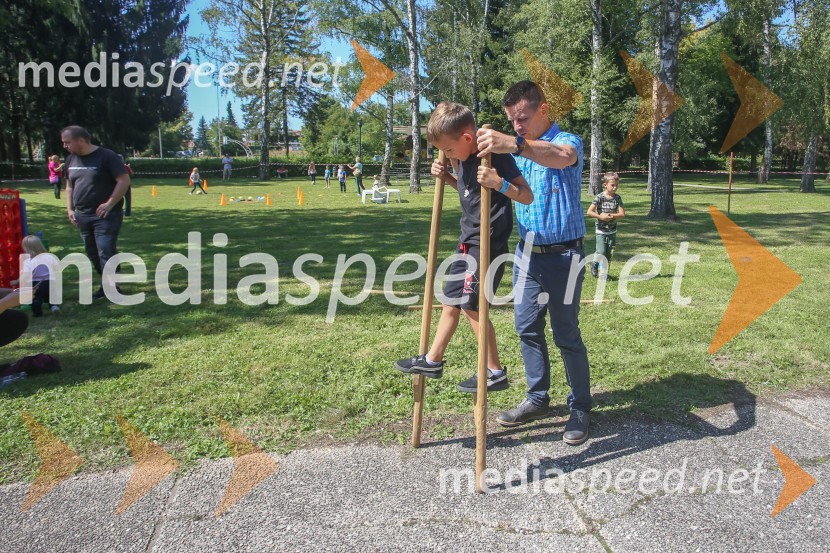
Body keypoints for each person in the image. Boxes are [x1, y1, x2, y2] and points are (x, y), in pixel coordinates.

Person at [475, 80, 592, 445]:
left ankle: (581, 407)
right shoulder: (515, 152)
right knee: (526, 327)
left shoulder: (568, 141)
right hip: (527, 255)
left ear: (543, 109)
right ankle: (538, 398)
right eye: (513, 122)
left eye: (523, 118)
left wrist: (516, 144)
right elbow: (517, 194)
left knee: (566, 334)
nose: (517, 127)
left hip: (565, 256)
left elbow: (562, 157)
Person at [394, 101, 533, 393]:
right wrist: (447, 175)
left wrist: (499, 184)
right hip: (466, 242)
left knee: (473, 308)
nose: (447, 155)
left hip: (487, 244)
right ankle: (433, 359)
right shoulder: (465, 158)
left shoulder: (493, 156)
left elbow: (526, 196)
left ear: (467, 139)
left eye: (449, 150)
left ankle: (494, 371)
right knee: (450, 303)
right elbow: (468, 189)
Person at [62, 125, 130, 301]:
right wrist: (70, 208)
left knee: (105, 250)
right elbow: (69, 186)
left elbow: (123, 180)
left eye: (67, 142)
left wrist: (110, 203)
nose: (65, 146)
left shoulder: (107, 156)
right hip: (82, 215)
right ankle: (106, 284)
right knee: (91, 251)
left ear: (81, 140)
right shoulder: (70, 160)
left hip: (106, 215)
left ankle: (113, 288)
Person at [9, 235, 60, 316]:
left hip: (36, 284)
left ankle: (37, 313)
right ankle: (54, 306)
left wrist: (16, 281)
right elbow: (57, 267)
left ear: (26, 248)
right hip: (51, 282)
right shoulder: (49, 256)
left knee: (36, 299)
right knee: (51, 296)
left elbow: (26, 275)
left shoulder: (28, 261)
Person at [587, 172, 625, 277]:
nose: (615, 187)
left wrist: (611, 216)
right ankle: (594, 264)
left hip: (612, 230)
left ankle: (604, 273)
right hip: (600, 230)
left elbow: (622, 214)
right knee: (601, 251)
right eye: (612, 185)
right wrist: (601, 217)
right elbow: (589, 212)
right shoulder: (599, 197)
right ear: (605, 184)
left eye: (616, 185)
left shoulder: (617, 198)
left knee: (609, 254)